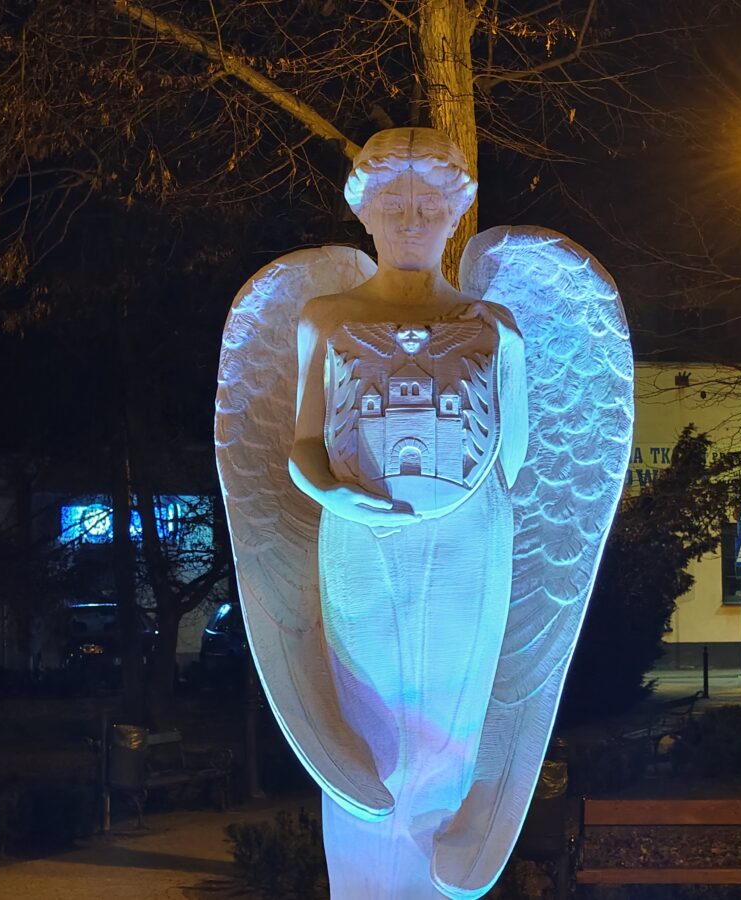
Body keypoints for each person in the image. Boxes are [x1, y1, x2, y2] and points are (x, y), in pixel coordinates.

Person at [286, 127, 528, 898]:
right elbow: (303, 445)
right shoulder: (324, 318)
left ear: (457, 213)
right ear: (365, 213)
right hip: (361, 545)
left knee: (450, 737)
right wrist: (335, 493)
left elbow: (511, 459)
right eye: (396, 205)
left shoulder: (497, 328)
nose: (413, 220)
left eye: (430, 205)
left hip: (467, 553)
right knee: (370, 744)